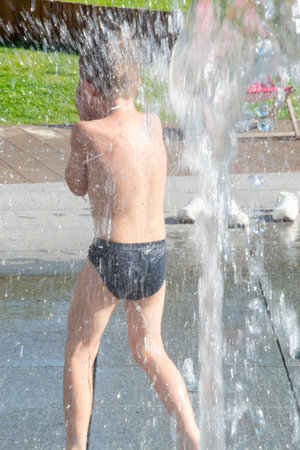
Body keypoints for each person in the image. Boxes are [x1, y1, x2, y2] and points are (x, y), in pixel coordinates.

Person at [63, 33, 200, 450]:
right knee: (150, 348)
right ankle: (191, 434)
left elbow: (76, 185)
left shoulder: (87, 131)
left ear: (89, 86)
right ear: (134, 79)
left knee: (79, 356)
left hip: (112, 254)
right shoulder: (152, 123)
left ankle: (75, 447)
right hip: (155, 253)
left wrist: (83, 119)